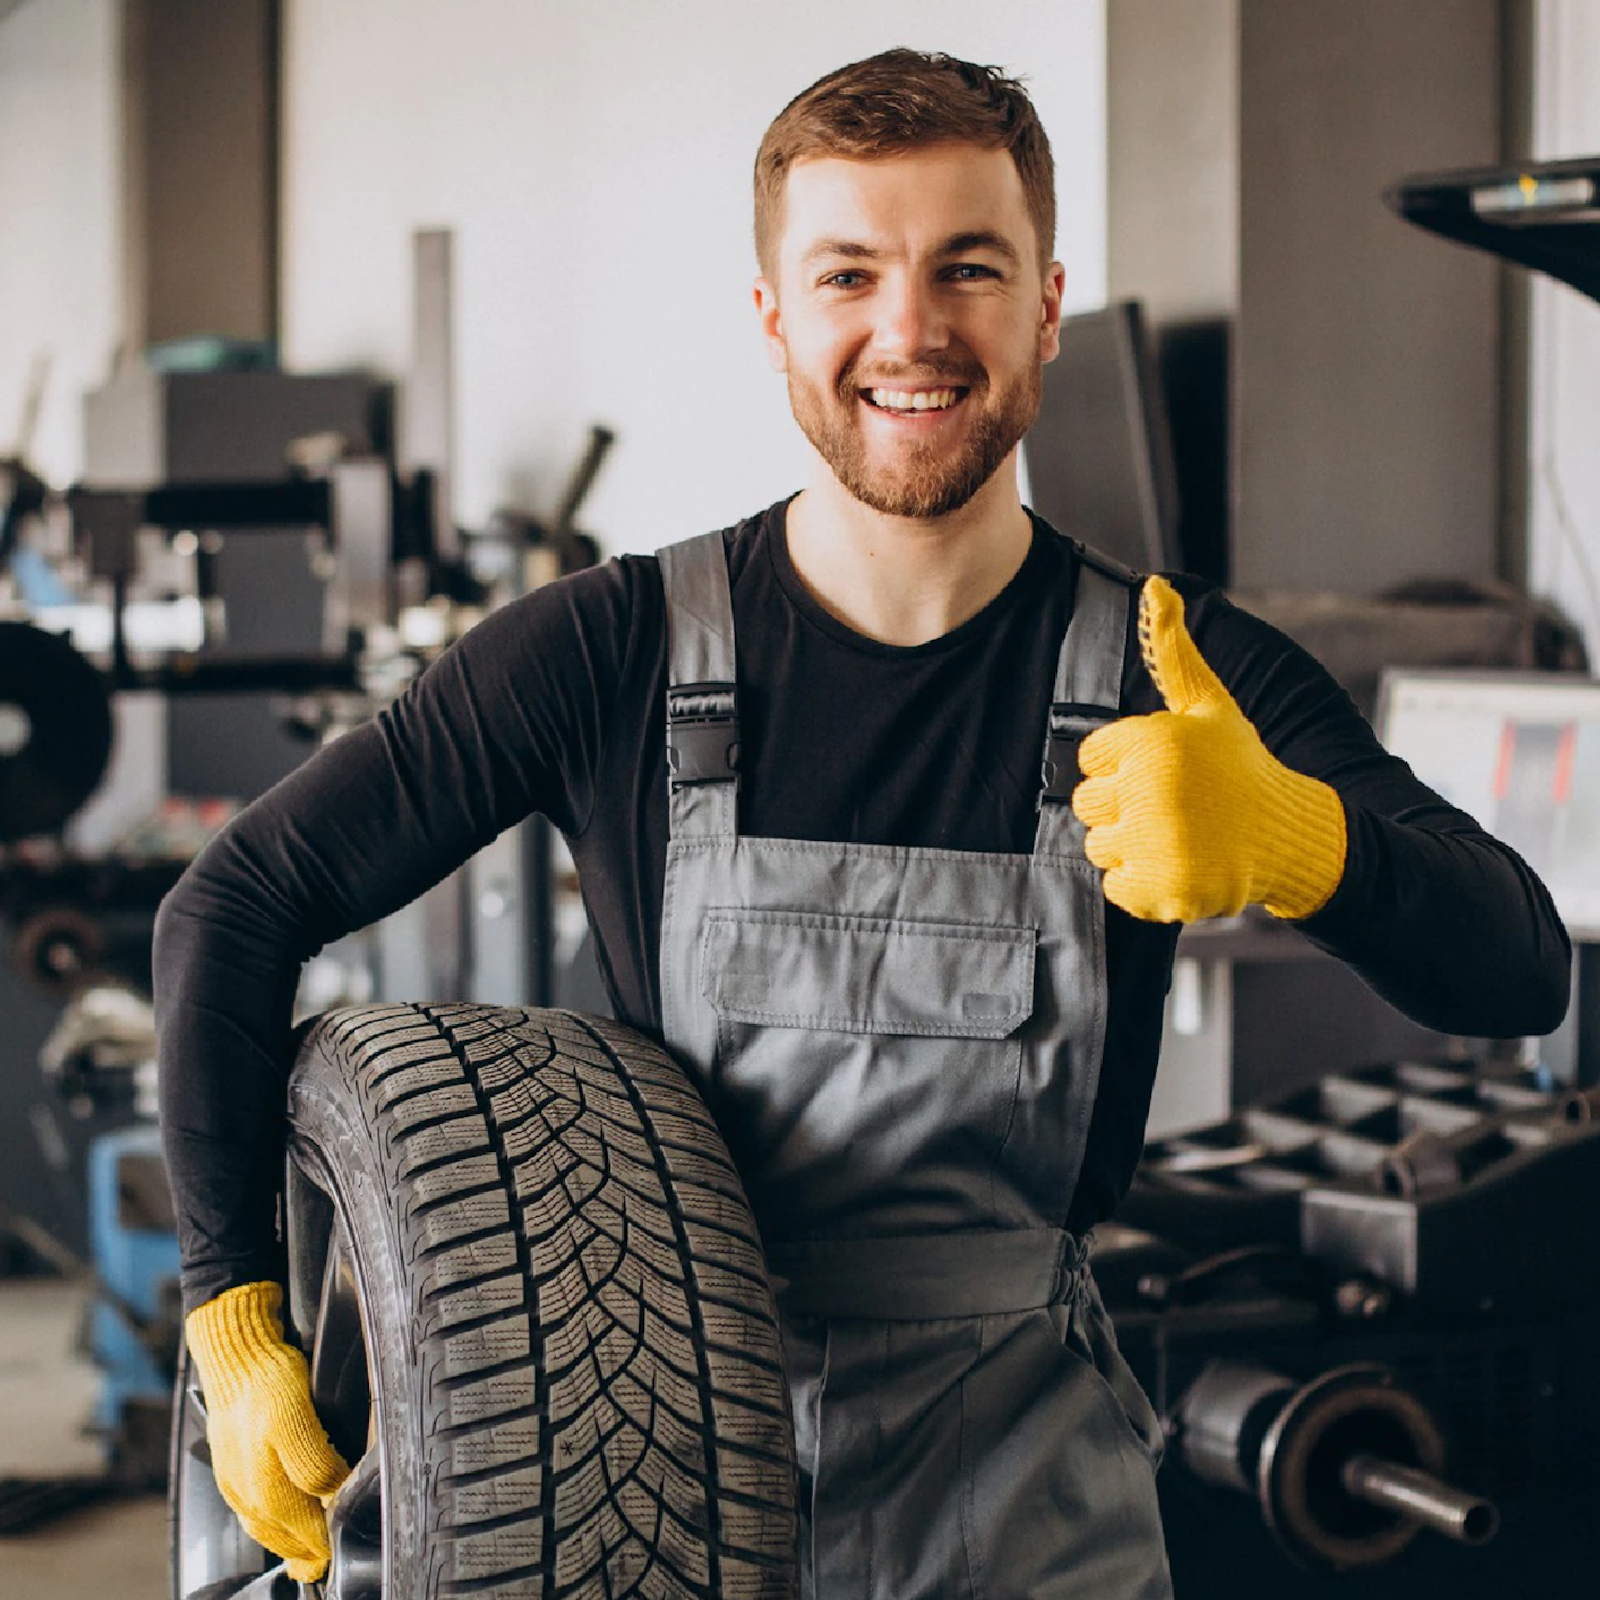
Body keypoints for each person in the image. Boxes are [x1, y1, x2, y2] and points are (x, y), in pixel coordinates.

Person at [155, 48, 1570, 1600]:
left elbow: (1516, 973)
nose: (910, 332)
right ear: (774, 315)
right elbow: (231, 909)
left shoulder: (1180, 670)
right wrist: (232, 1311)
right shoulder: (612, 649)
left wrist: (1306, 842)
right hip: (645, 1490)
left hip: (1036, 1499)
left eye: (969, 267)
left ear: (1044, 304)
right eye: (850, 274)